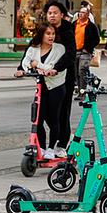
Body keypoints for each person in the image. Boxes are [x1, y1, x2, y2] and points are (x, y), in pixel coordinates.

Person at [14, 23, 69, 158]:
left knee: (54, 118)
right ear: (41, 35)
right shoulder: (33, 48)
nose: (51, 37)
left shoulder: (59, 49)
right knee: (37, 119)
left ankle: (52, 148)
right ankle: (43, 148)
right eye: (48, 34)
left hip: (56, 87)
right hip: (41, 87)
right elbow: (26, 63)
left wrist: (37, 64)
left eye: (53, 34)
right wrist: (22, 71)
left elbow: (51, 67)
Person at [42, 2, 77, 140]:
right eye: (50, 13)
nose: (52, 15)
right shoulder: (44, 31)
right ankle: (62, 135)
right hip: (46, 78)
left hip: (64, 77)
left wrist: (57, 68)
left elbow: (70, 55)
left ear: (62, 15)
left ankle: (64, 140)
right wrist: (23, 67)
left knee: (63, 111)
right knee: (44, 112)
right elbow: (32, 48)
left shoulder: (67, 32)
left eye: (55, 13)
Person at [72, 5, 100, 99]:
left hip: (85, 52)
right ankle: (83, 89)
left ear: (87, 15)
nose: (80, 14)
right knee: (76, 73)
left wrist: (88, 48)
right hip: (75, 51)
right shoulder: (75, 24)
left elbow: (96, 39)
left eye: (83, 12)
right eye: (80, 12)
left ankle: (82, 93)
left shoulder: (91, 26)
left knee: (82, 71)